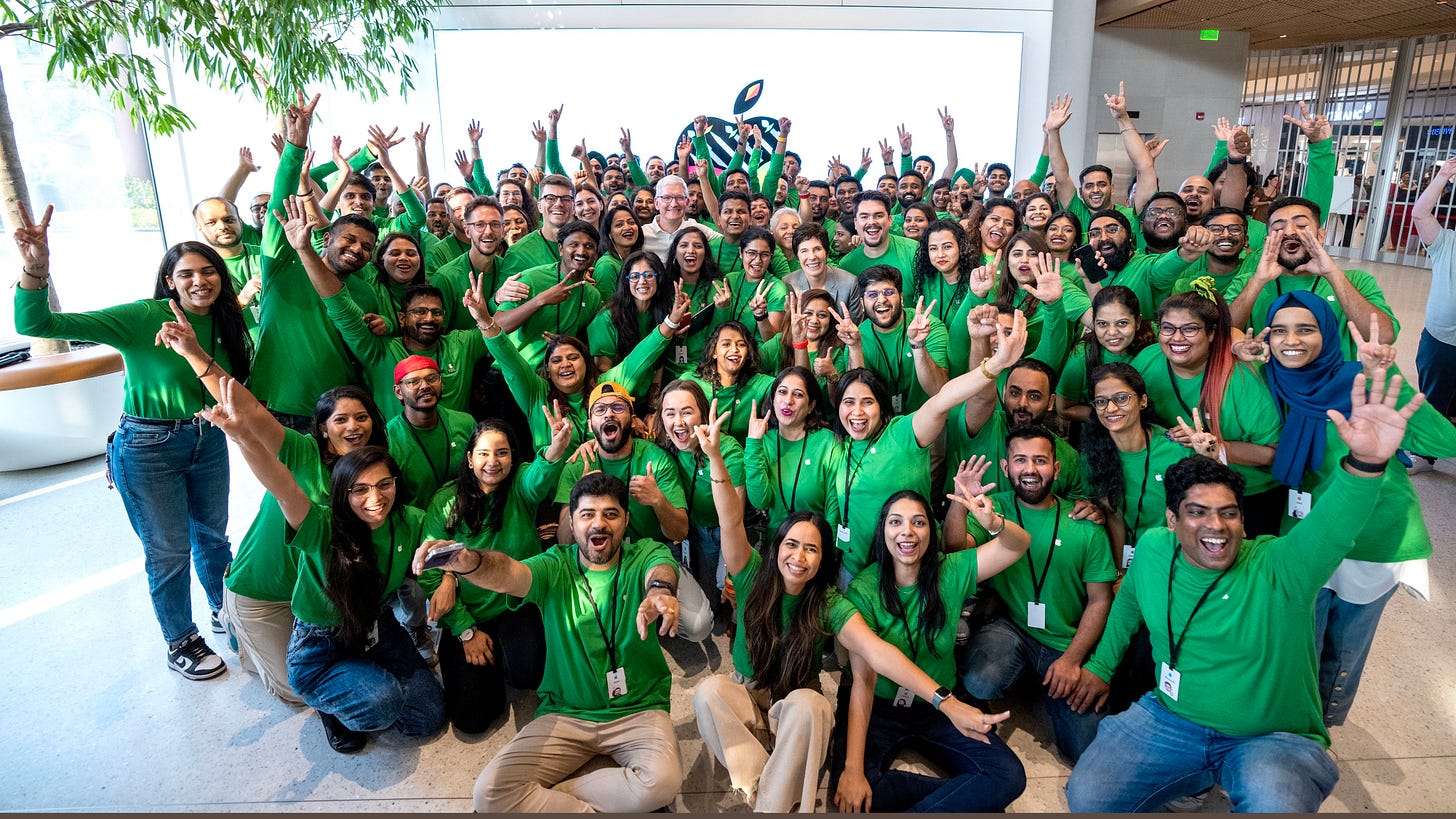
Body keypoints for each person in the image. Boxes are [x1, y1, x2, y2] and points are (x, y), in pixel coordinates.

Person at [1064, 370, 1426, 812]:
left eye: (1228, 513)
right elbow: (1128, 606)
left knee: (1275, 803)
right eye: (1197, 512)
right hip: (1172, 717)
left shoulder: (1280, 565)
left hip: (1270, 737)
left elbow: (1334, 527)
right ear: (1172, 520)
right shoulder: (1157, 549)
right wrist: (1100, 667)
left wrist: (1366, 463)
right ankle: (1193, 776)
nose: (1215, 526)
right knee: (1088, 797)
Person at [693, 405, 1018, 813]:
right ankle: (765, 785)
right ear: (776, 548)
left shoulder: (828, 603)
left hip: (797, 708)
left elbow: (878, 653)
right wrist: (716, 459)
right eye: (791, 545)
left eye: (812, 549)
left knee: (811, 707)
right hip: (750, 694)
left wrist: (944, 701)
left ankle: (769, 799)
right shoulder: (750, 574)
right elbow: (729, 521)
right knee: (708, 692)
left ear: (823, 559)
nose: (799, 557)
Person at [15, 204, 250, 681]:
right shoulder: (143, 317)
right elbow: (40, 326)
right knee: (167, 550)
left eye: (209, 272)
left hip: (208, 439)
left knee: (212, 537)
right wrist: (35, 271)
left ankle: (224, 611)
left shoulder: (227, 320)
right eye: (186, 274)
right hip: (148, 446)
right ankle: (179, 639)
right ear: (168, 281)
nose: (199, 281)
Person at [202, 376, 446, 753]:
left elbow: (437, 549)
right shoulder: (320, 524)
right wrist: (243, 437)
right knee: (381, 703)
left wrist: (446, 574)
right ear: (341, 492)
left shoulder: (410, 519)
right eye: (360, 490)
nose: (375, 498)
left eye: (384, 485)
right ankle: (332, 696)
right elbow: (281, 483)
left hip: (374, 623)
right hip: (319, 639)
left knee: (428, 718)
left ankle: (362, 677)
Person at [418, 472, 687, 812]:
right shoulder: (554, 565)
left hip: (639, 709)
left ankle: (558, 792)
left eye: (611, 514)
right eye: (587, 515)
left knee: (662, 783)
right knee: (488, 794)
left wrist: (660, 592)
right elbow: (506, 573)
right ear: (571, 524)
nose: (599, 524)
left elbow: (662, 569)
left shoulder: (645, 553)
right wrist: (468, 561)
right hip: (566, 713)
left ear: (627, 520)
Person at [1254, 293, 1456, 724]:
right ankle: (1294, 719)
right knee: (1297, 638)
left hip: (1371, 537)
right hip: (1304, 535)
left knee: (1343, 647)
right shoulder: (1269, 380)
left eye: (1306, 329)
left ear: (1326, 334)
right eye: (1280, 330)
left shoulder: (1359, 380)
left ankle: (1323, 725)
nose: (1292, 341)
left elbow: (1445, 443)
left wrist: (1391, 382)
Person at [833, 488, 1031, 813]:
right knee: (858, 795)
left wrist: (994, 523)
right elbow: (863, 682)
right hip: (879, 708)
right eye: (896, 522)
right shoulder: (863, 590)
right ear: (883, 530)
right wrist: (853, 769)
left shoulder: (950, 571)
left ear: (931, 531)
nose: (907, 532)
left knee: (1008, 776)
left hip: (936, 708)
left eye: (919, 522)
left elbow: (1017, 545)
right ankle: (964, 798)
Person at [828, 310, 1030, 583]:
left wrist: (993, 366)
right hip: (854, 569)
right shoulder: (843, 446)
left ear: (882, 406)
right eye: (848, 403)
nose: (857, 412)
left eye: (867, 402)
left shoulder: (901, 433)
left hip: (910, 569)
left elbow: (942, 400)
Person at [953, 428, 1116, 763]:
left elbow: (1101, 600)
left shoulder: (1085, 525)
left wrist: (1072, 660)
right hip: (1011, 627)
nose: (1030, 469)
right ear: (1006, 467)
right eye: (1020, 460)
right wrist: (961, 505)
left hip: (1065, 640)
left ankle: (1044, 682)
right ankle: (1027, 679)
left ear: (1056, 469)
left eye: (1040, 461)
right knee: (980, 682)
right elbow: (956, 551)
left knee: (1087, 752)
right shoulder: (994, 508)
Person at [220, 385, 388, 706]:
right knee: (299, 693)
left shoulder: (373, 472)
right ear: (323, 428)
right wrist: (195, 355)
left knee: (329, 667)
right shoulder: (303, 453)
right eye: (341, 419)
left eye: (361, 417)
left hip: (314, 597)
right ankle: (236, 624)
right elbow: (254, 414)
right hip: (264, 593)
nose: (353, 426)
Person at [418, 410, 572, 733]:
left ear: (513, 458)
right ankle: (492, 660)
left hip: (518, 602)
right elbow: (432, 570)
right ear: (470, 458)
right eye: (484, 453)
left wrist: (555, 449)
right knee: (472, 721)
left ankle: (509, 655)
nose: (493, 461)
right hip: (471, 611)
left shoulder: (520, 487)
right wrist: (465, 630)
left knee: (529, 674)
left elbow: (540, 476)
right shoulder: (445, 503)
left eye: (502, 453)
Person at [470, 266, 687, 455]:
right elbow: (509, 358)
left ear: (586, 362)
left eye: (573, 357)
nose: (565, 364)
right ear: (547, 369)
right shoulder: (536, 393)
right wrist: (484, 320)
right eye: (556, 361)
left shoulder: (606, 387)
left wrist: (672, 321)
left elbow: (642, 355)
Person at [1132, 285, 1283, 535]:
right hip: (1183, 490)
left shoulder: (1241, 380)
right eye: (1168, 328)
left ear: (1211, 333)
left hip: (1248, 495)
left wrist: (1215, 447)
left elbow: (1273, 454)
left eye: (1190, 329)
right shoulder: (1148, 360)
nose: (1176, 338)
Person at [1226, 196, 1398, 360]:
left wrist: (1332, 273)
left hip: (1332, 386)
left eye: (1301, 225)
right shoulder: (1247, 282)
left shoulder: (1356, 281)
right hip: (1263, 384)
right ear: (1268, 240)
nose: (1289, 232)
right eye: (1278, 228)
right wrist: (1258, 281)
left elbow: (1384, 336)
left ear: (1321, 236)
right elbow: (1223, 334)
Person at [1080, 363, 1192, 564]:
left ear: (1143, 401)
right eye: (1101, 401)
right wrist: (1119, 574)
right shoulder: (1092, 456)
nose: (1111, 408)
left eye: (1121, 398)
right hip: (1126, 560)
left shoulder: (1175, 448)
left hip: (1175, 557)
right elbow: (1113, 517)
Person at [657, 380, 747, 617]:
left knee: (730, 587)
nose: (679, 422)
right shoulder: (668, 446)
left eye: (687, 412)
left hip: (728, 530)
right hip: (696, 530)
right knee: (711, 602)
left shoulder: (727, 449)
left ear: (703, 414)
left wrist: (729, 568)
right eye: (670, 413)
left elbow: (735, 517)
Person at [492, 219, 604, 368]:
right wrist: (541, 299)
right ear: (561, 249)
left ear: (595, 254)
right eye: (574, 245)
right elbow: (498, 325)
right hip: (511, 373)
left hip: (558, 375)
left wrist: (567, 343)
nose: (581, 251)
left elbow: (589, 344)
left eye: (589, 246)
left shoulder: (593, 296)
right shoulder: (532, 278)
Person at [840, 265, 950, 416]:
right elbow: (856, 396)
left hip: (927, 417)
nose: (881, 300)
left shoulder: (928, 326)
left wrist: (918, 345)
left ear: (901, 298)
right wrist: (854, 347)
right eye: (872, 294)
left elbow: (938, 391)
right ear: (862, 303)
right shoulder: (857, 336)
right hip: (880, 422)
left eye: (889, 292)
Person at [1408, 155, 1456, 449]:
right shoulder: (1446, 242)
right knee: (1432, 398)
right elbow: (1420, 214)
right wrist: (1444, 176)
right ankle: (1424, 451)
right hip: (1441, 340)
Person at [1056, 286, 1156, 423]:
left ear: (1138, 322)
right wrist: (1111, 415)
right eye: (1103, 324)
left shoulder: (1156, 340)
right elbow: (1064, 408)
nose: (1112, 332)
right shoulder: (1082, 355)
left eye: (1122, 323)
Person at [840, 191, 920, 282]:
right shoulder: (847, 265)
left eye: (878, 216)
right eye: (864, 217)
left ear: (890, 220)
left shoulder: (913, 251)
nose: (871, 222)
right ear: (856, 223)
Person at [786, 222, 860, 316]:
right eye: (804, 251)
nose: (812, 257)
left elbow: (856, 326)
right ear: (797, 257)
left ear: (827, 252)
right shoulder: (788, 283)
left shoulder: (850, 283)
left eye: (817, 249)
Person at [641, 173, 721, 260]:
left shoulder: (696, 229)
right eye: (667, 198)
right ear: (656, 203)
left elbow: (727, 242)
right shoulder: (642, 234)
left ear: (687, 202)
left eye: (679, 197)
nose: (674, 204)